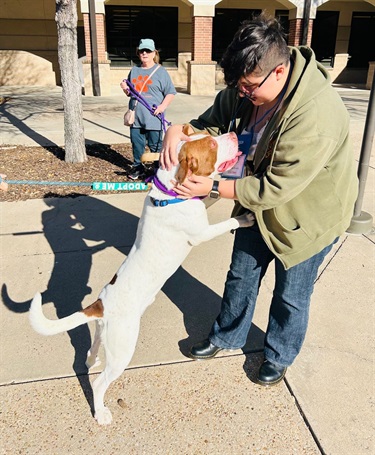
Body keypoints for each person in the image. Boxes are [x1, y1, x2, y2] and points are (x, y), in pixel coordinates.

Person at [160, 12, 358, 386]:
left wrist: (214, 187)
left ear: (279, 72)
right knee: (241, 275)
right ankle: (228, 335)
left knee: (292, 295)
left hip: (307, 217)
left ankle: (279, 354)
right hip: (255, 202)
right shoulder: (246, 91)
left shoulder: (315, 116)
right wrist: (179, 129)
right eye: (238, 85)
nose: (242, 92)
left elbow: (276, 189)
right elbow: (212, 121)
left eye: (249, 85)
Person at [121, 38, 176, 180]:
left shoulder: (161, 71)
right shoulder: (134, 70)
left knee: (155, 146)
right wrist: (125, 89)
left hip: (154, 117)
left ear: (154, 53)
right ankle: (138, 167)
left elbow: (170, 92)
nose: (144, 53)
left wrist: (162, 107)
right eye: (141, 51)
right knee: (137, 144)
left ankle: (159, 169)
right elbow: (130, 93)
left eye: (148, 51)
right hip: (136, 116)